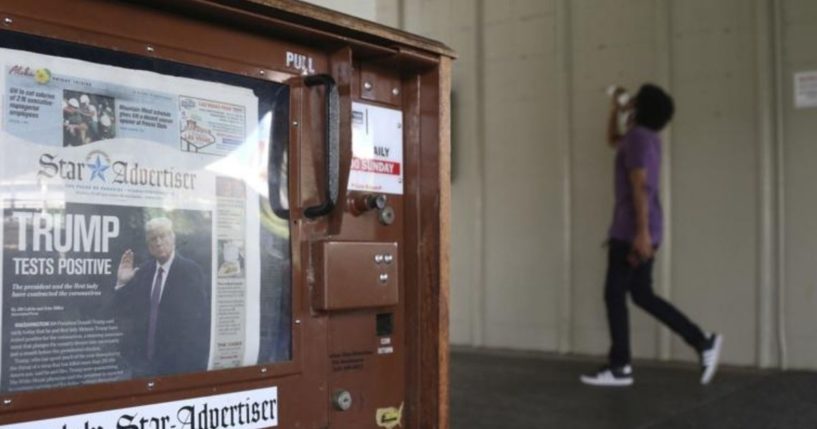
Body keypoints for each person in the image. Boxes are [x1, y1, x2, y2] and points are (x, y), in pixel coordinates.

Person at [580, 84, 723, 387]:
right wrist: (614, 112)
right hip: (638, 228)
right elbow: (611, 140)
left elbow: (639, 185)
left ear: (642, 108)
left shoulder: (637, 138)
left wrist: (641, 234)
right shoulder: (644, 138)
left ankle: (621, 367)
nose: (629, 103)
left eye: (635, 102)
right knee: (641, 294)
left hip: (632, 230)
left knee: (615, 294)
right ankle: (701, 340)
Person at [113, 217, 210, 377]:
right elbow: (125, 312)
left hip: (177, 368)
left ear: (173, 238)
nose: (158, 243)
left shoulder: (191, 272)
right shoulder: (143, 272)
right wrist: (122, 283)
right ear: (148, 245)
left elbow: (198, 325)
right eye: (153, 239)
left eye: (163, 236)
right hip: (143, 368)